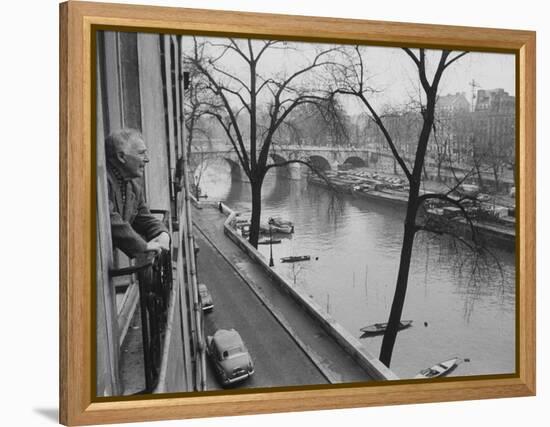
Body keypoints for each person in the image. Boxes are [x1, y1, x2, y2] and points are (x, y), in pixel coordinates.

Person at [105, 129, 170, 258]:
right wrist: (144, 246)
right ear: (121, 156)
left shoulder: (134, 187)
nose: (147, 159)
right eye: (141, 153)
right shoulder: (102, 182)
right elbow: (109, 220)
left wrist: (163, 234)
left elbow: (145, 219)